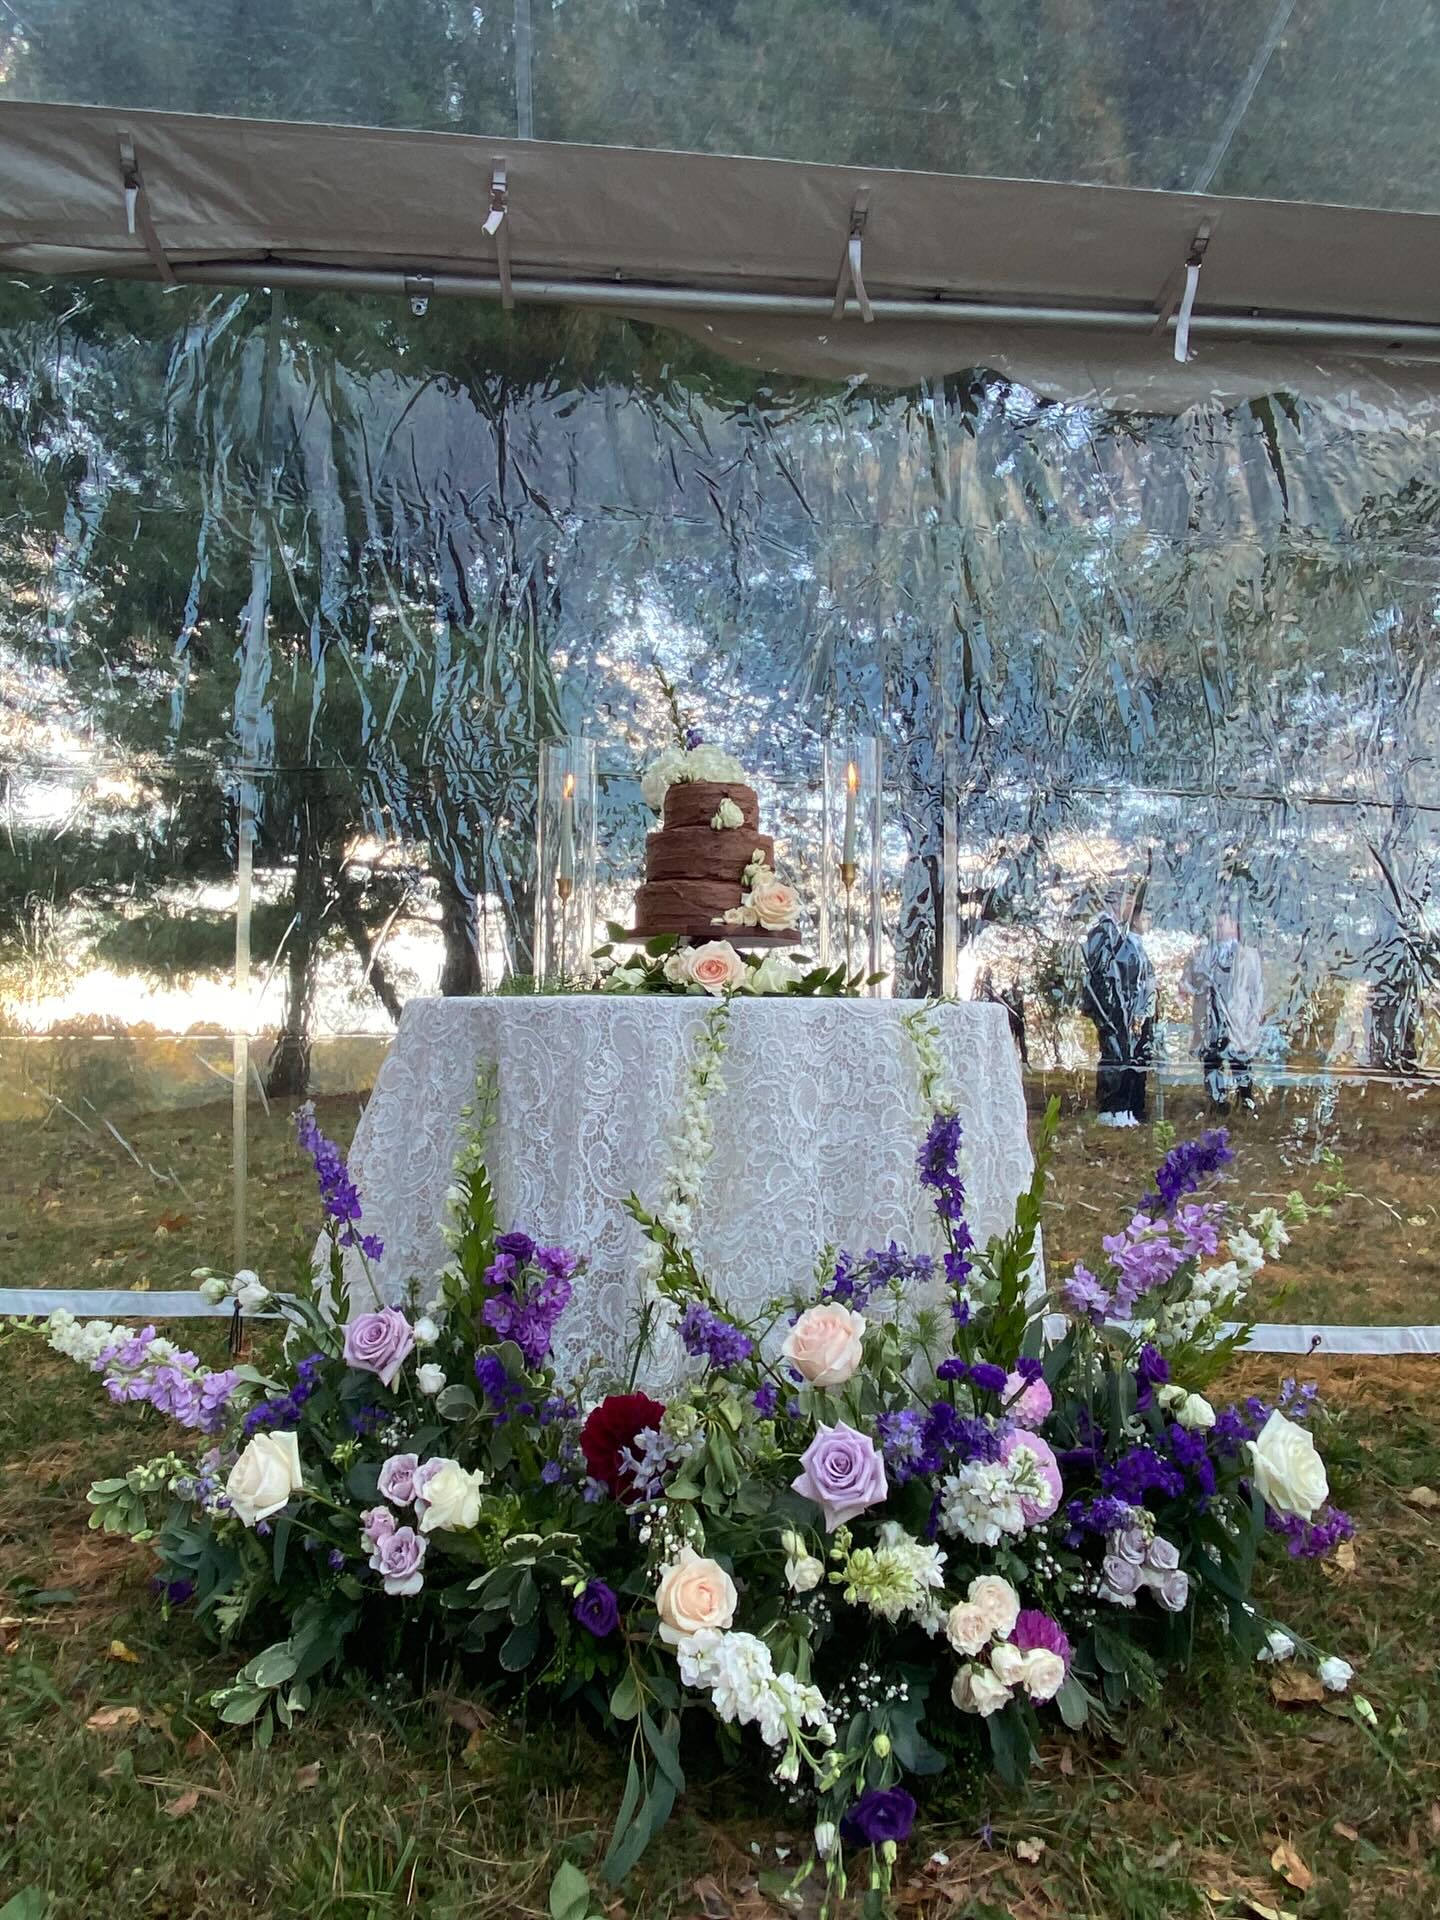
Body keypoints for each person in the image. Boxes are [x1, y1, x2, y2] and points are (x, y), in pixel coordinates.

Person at [1081, 885, 1155, 1127]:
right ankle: (1109, 1107)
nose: (1130, 908)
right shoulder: (1103, 931)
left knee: (1123, 1054)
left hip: (1121, 1005)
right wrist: (1111, 1006)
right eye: (1127, 902)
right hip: (1109, 1006)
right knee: (1114, 1054)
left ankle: (1120, 1108)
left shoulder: (1116, 933)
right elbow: (1100, 975)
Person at [1183, 904, 1264, 1113]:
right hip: (1211, 1020)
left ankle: (1245, 1102)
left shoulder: (1249, 955)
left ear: (1234, 924)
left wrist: (1253, 1020)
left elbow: (1257, 992)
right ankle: (1217, 1105)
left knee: (1240, 1063)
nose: (1217, 928)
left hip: (1238, 1022)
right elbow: (1187, 983)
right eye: (1215, 924)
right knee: (1212, 1062)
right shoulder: (1201, 954)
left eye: (1222, 924)